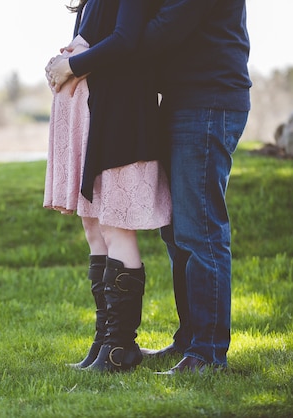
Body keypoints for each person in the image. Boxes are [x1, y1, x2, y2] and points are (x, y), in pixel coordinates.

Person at [44, 0, 171, 372]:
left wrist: (71, 64)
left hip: (119, 117)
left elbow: (126, 40)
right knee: (95, 226)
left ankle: (120, 349)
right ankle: (103, 342)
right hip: (94, 116)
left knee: (116, 224)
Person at [137, 0, 252, 374]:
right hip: (183, 101)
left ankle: (208, 353)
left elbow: (162, 29)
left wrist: (110, 40)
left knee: (200, 230)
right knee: (175, 232)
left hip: (209, 101)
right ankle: (189, 340)